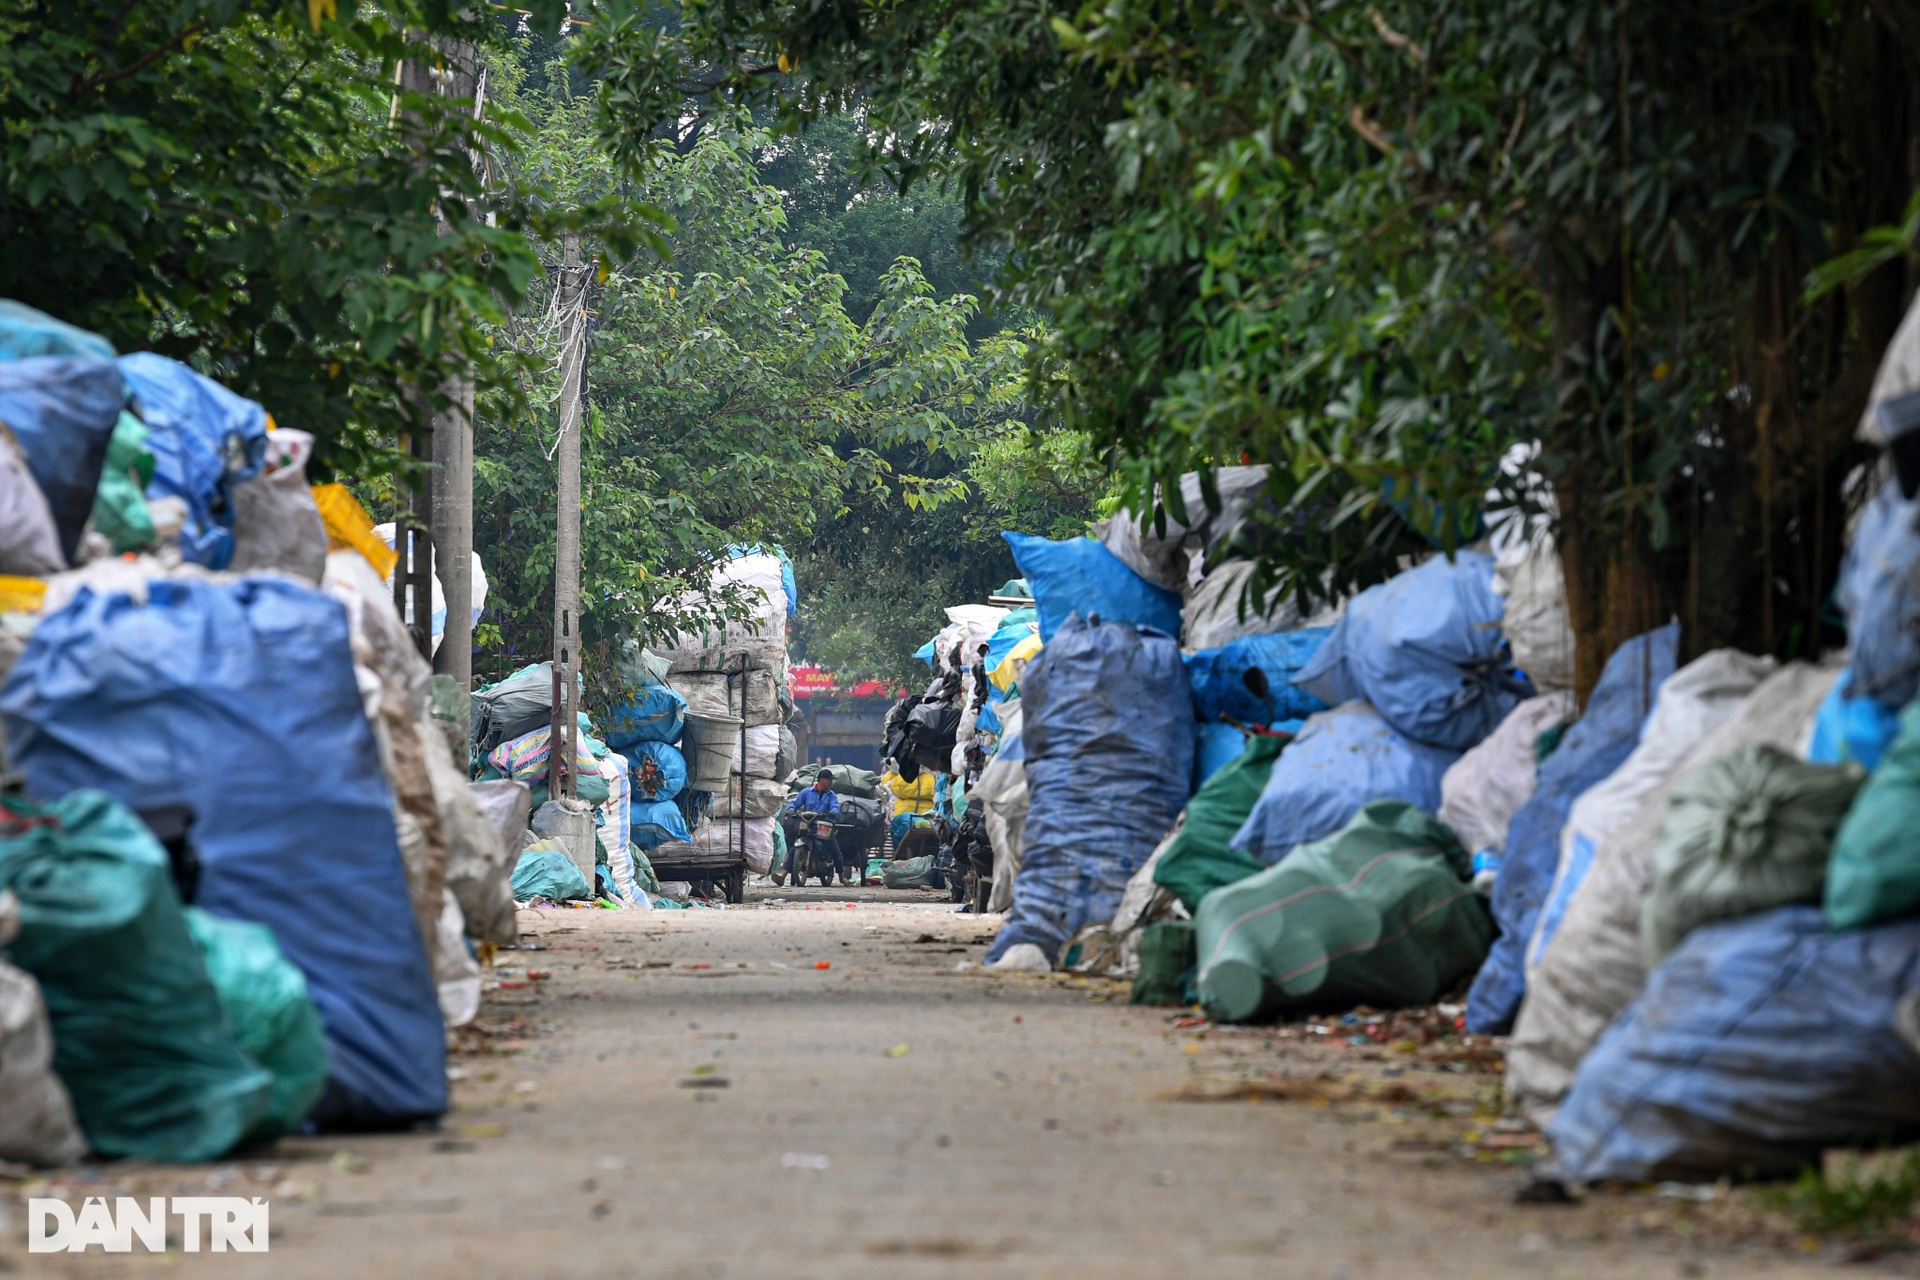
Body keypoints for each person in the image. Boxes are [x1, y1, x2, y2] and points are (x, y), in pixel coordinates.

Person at [784, 770, 843, 875]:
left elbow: (835, 807)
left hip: (824, 826)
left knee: (834, 849)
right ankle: (783, 875)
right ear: (822, 780)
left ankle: (841, 876)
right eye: (829, 780)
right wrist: (791, 810)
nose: (831, 783)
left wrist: (832, 812)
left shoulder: (831, 795)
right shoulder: (806, 792)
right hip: (808, 824)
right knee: (795, 847)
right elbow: (794, 803)